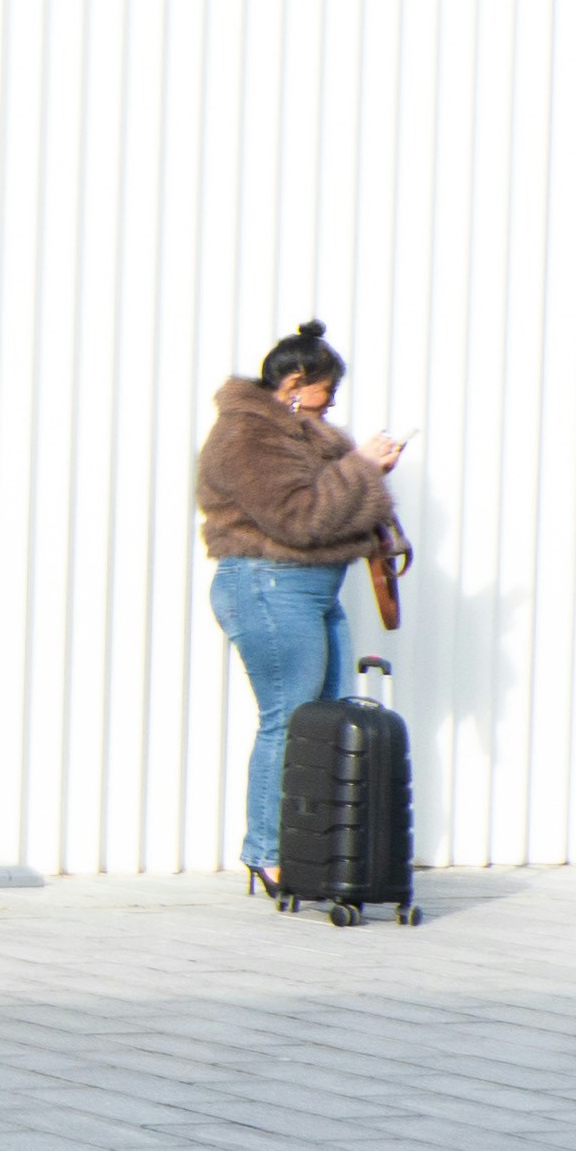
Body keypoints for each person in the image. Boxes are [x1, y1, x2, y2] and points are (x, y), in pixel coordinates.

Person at [196, 320, 407, 892]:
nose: (330, 403)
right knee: (289, 721)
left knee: (320, 723)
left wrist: (367, 473)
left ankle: (313, 853)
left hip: (309, 589)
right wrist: (360, 469)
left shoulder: (297, 435)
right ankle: (266, 853)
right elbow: (298, 516)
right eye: (324, 391)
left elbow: (327, 506)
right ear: (293, 382)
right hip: (268, 585)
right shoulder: (249, 435)